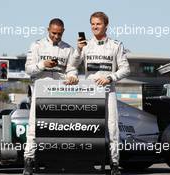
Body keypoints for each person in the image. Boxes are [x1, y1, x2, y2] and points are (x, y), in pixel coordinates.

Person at [69, 12, 130, 175]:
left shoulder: (116, 45)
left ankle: (115, 163)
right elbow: (72, 65)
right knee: (88, 127)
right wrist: (78, 49)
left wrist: (110, 77)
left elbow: (126, 68)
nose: (95, 27)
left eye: (98, 24)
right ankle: (87, 161)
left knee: (112, 127)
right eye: (93, 24)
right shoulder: (85, 45)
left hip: (108, 91)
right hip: (89, 93)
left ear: (106, 25)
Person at [23, 18, 78, 175]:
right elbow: (28, 69)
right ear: (48, 30)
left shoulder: (68, 49)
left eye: (59, 34)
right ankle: (28, 162)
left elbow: (72, 69)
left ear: (63, 32)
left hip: (61, 94)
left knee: (60, 129)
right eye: (53, 33)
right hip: (40, 94)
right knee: (34, 130)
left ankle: (57, 162)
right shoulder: (37, 45)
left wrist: (73, 76)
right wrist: (43, 65)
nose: (56, 36)